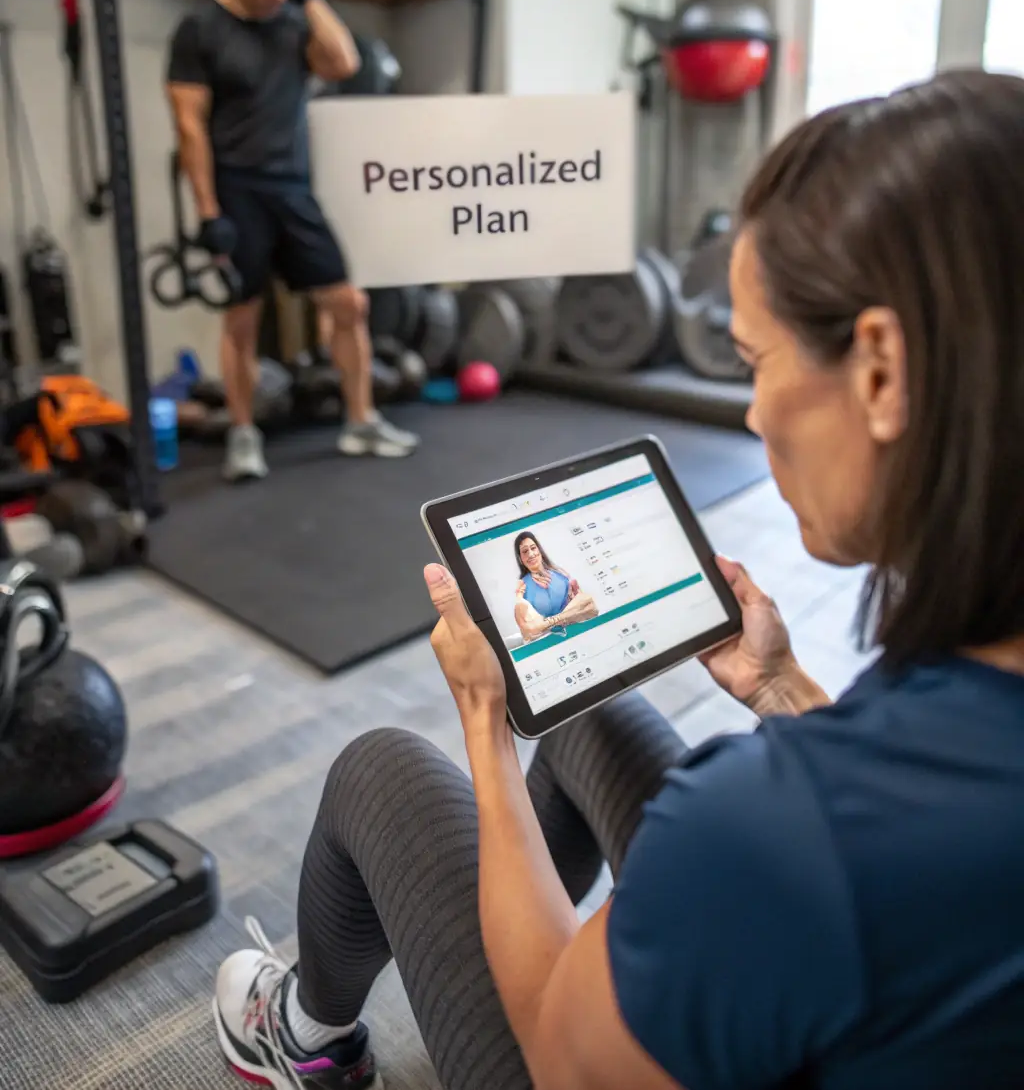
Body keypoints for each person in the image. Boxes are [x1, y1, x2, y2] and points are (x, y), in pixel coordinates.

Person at [210, 71, 1024, 1090]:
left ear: (880, 371)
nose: (753, 414)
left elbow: (561, 1054)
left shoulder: (777, 828)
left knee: (382, 766)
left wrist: (481, 720)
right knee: (593, 715)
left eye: (753, 360)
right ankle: (549, 926)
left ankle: (305, 1036)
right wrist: (780, 691)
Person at [166, 0, 418, 482]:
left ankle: (360, 422)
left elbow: (345, 62)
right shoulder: (200, 30)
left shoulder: (292, 22)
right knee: (242, 320)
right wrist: (208, 214)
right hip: (237, 189)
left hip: (293, 187)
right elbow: (189, 126)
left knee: (349, 304)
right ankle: (243, 434)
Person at [513, 530, 597, 642]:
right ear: (521, 559)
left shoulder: (560, 574)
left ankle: (556, 620)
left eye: (533, 548)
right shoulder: (522, 585)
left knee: (588, 599)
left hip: (572, 626)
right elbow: (528, 629)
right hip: (548, 634)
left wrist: (553, 620)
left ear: (539, 550)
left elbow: (585, 604)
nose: (531, 554)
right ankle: (558, 620)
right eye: (525, 551)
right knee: (529, 628)